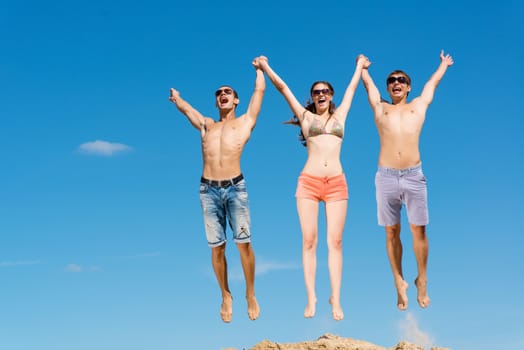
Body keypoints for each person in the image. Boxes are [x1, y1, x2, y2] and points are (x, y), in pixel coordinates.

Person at [257, 54, 367, 321]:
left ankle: (336, 299)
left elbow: (353, 88)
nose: (320, 95)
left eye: (325, 91)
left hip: (337, 183)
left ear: (331, 95)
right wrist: (265, 66)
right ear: (312, 96)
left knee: (336, 242)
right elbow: (283, 89)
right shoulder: (305, 117)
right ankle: (311, 297)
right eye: (316, 92)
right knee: (309, 241)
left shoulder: (341, 115)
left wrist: (359, 68)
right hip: (309, 182)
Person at [168, 58, 265, 323]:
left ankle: (251, 293)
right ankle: (225, 294)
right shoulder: (207, 125)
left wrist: (260, 71)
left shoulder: (245, 122)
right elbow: (189, 111)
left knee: (244, 244)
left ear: (236, 101)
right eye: (219, 93)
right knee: (217, 248)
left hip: (236, 188)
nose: (222, 95)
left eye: (228, 92)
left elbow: (259, 93)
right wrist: (177, 99)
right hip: (208, 190)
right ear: (216, 102)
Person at [360, 50, 454, 310]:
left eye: (401, 79)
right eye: (391, 80)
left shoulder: (418, 106)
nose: (396, 82)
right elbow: (367, 84)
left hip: (413, 175)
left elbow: (432, 84)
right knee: (391, 232)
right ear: (387, 86)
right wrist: (363, 67)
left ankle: (421, 279)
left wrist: (443, 65)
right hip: (386, 176)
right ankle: (398, 281)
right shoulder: (381, 108)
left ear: (409, 86)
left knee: (418, 229)